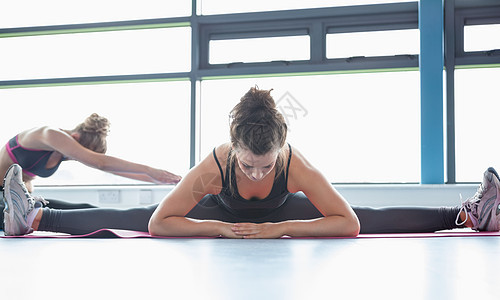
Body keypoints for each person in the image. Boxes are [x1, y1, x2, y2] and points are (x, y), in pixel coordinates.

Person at [2, 88, 500, 237]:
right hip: (222, 216)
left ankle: (469, 215)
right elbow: (158, 221)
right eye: (249, 165)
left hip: (279, 217)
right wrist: (219, 231)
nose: (259, 173)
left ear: (280, 149)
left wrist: (280, 228)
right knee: (130, 219)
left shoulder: (294, 164)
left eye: (267, 165)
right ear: (232, 149)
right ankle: (38, 216)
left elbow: (347, 223)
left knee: (371, 215)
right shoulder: (213, 167)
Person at [1, 113, 181, 233]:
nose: (77, 158)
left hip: (18, 201)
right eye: (80, 153)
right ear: (76, 138)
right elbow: (101, 163)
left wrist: (160, 180)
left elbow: (111, 168)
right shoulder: (50, 134)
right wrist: (151, 170)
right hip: (3, 198)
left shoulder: (62, 148)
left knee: (87, 208)